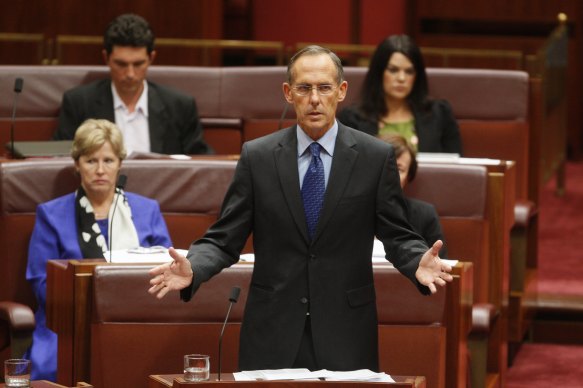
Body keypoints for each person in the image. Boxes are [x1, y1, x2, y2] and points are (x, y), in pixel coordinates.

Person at [148, 46, 452, 372]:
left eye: (324, 87)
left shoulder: (374, 157)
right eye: (304, 88)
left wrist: (416, 259)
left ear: (342, 91)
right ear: (288, 93)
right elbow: (224, 239)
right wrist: (194, 267)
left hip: (346, 329)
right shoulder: (258, 157)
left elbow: (396, 234)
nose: (315, 99)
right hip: (272, 328)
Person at [26, 119, 172, 381]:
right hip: (67, 323)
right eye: (91, 161)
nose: (100, 170)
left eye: (109, 160)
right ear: (77, 164)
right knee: (50, 370)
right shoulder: (50, 214)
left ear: (120, 164)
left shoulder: (147, 210)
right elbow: (40, 283)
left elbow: (167, 271)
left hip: (135, 319)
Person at [53, 13, 212, 156]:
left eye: (138, 64)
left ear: (151, 58)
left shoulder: (180, 106)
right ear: (106, 58)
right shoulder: (79, 103)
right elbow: (59, 158)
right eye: (121, 64)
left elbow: (200, 161)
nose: (130, 74)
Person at [338, 34, 462, 154]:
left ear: (417, 76)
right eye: (393, 70)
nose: (401, 78)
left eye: (409, 71)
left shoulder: (440, 114)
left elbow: (456, 168)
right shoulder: (352, 119)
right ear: (379, 72)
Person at [380, 133, 448, 258]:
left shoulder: (424, 215)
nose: (391, 175)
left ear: (408, 178)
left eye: (399, 169)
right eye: (385, 166)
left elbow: (440, 267)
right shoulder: (346, 209)